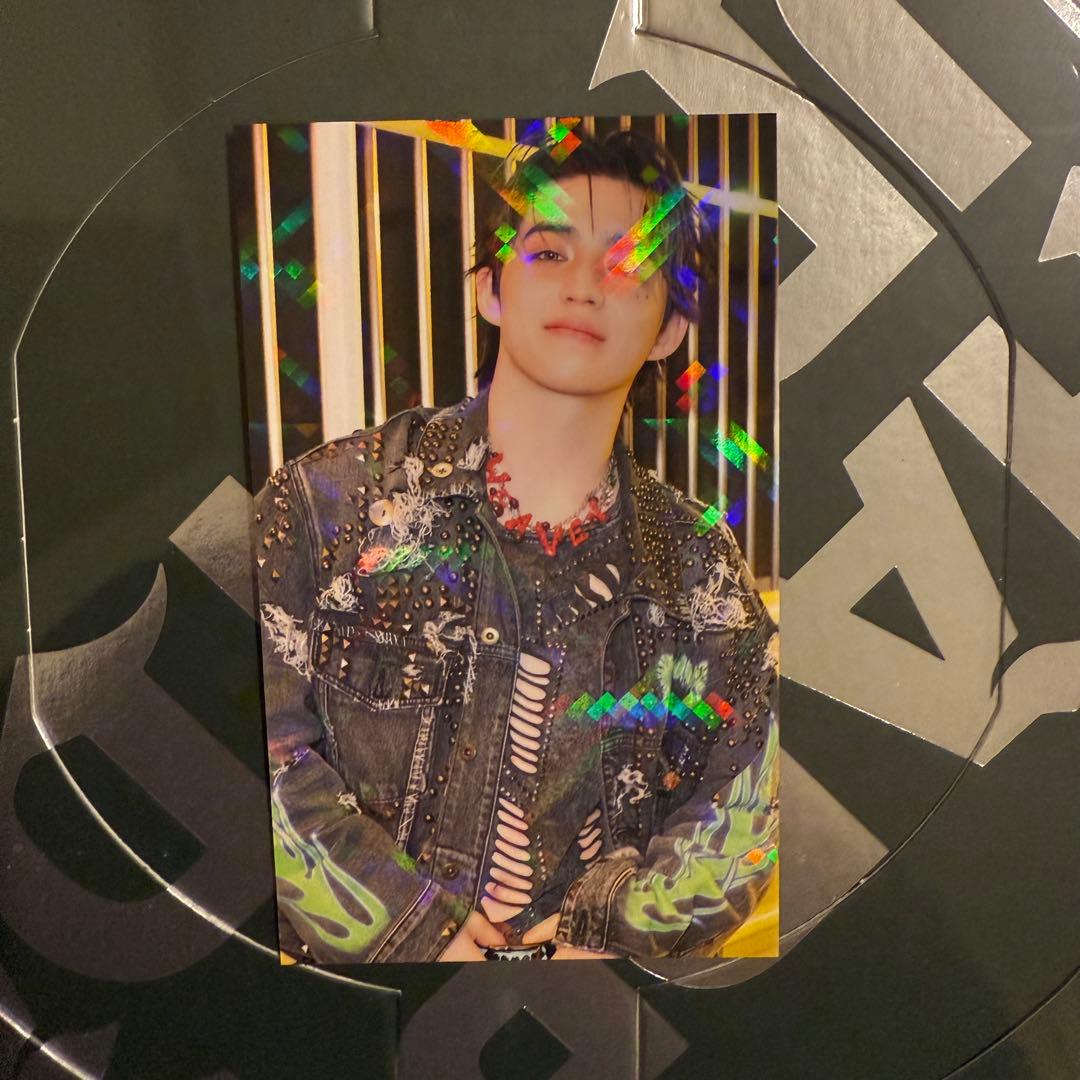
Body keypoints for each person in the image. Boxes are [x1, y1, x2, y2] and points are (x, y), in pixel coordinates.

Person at [252, 124, 779, 964]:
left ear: (672, 328)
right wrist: (409, 929)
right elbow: (253, 751)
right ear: (490, 290)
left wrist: (619, 937)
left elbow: (747, 806)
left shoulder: (699, 570)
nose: (583, 286)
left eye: (627, 265)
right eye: (548, 253)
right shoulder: (328, 508)